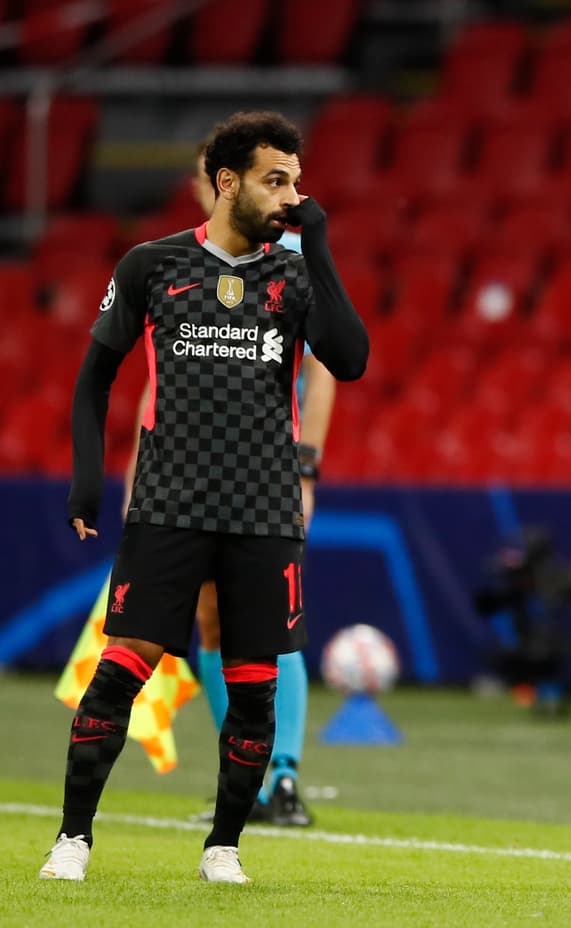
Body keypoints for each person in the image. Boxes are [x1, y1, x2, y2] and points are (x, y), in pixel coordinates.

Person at [41, 111, 368, 883]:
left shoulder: (292, 275)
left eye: (297, 180)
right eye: (275, 180)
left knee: (252, 686)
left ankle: (224, 846)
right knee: (121, 668)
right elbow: (95, 378)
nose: (292, 195)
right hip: (168, 504)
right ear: (228, 182)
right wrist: (88, 474)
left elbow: (349, 360)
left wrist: (317, 246)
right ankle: (73, 839)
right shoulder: (151, 265)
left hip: (262, 511)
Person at [123, 142, 337, 826]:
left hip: (267, 468)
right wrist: (138, 475)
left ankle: (284, 777)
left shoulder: (289, 260)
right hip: (189, 471)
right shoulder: (178, 265)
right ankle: (242, 777)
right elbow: (160, 379)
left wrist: (306, 462)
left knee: (268, 618)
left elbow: (328, 365)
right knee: (210, 619)